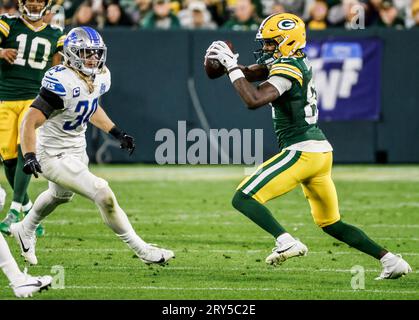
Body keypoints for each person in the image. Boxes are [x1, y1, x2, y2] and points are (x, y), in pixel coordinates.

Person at [205, 13, 412, 280]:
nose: (267, 48)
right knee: (331, 223)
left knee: (243, 197)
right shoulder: (289, 60)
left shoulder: (288, 69)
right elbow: (249, 73)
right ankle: (391, 260)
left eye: (271, 43)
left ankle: (286, 241)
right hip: (320, 152)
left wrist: (231, 67)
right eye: (266, 43)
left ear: (288, 41)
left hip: (302, 150)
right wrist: (228, 65)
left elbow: (253, 99)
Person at [10, 26, 175, 267]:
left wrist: (116, 132)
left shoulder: (99, 76)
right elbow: (29, 121)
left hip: (76, 147)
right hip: (52, 153)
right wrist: (29, 155)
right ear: (73, 54)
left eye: (97, 53)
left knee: (59, 196)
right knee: (103, 193)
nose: (94, 58)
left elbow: (89, 107)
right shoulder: (61, 80)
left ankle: (25, 228)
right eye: (87, 53)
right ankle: (143, 249)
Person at [0, 0, 65, 237]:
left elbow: (63, 63)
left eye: (39, 0)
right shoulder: (7, 24)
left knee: (23, 150)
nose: (35, 4)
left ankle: (14, 211)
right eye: (31, 0)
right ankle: (28, 209)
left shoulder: (55, 33)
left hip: (34, 100)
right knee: (8, 158)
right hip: (5, 99)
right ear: (21, 3)